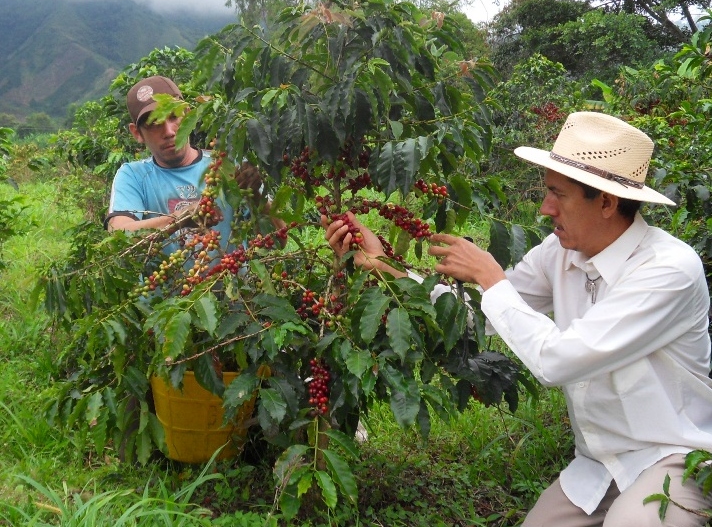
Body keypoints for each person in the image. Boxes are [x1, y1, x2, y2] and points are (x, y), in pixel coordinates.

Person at [323, 111, 712, 526]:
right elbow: (479, 316)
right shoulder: (559, 253)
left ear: (606, 202)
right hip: (599, 464)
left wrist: (490, 276)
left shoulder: (668, 270)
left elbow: (558, 359)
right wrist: (385, 267)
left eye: (557, 195)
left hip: (674, 457)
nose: (545, 209)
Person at [105, 75, 265, 252]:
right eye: (154, 123)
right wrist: (179, 218)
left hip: (233, 279)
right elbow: (118, 234)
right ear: (137, 133)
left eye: (173, 117)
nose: (168, 131)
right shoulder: (133, 176)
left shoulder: (228, 165)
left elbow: (278, 239)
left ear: (188, 115)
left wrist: (256, 194)